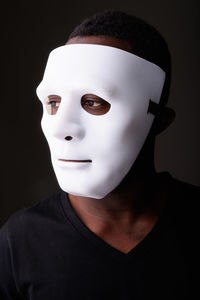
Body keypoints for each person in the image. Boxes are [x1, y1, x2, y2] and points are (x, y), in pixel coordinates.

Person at [0, 9, 199, 300]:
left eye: (93, 102)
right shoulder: (18, 242)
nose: (62, 128)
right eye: (53, 103)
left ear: (159, 120)